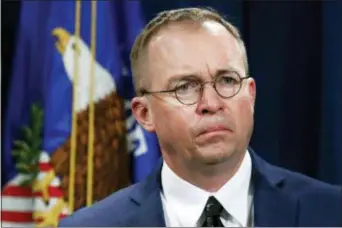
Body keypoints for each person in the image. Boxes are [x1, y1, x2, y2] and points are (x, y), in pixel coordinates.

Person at [59, 7, 341, 227]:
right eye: (185, 87)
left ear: (251, 94)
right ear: (144, 114)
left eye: (228, 80)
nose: (212, 103)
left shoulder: (331, 213)